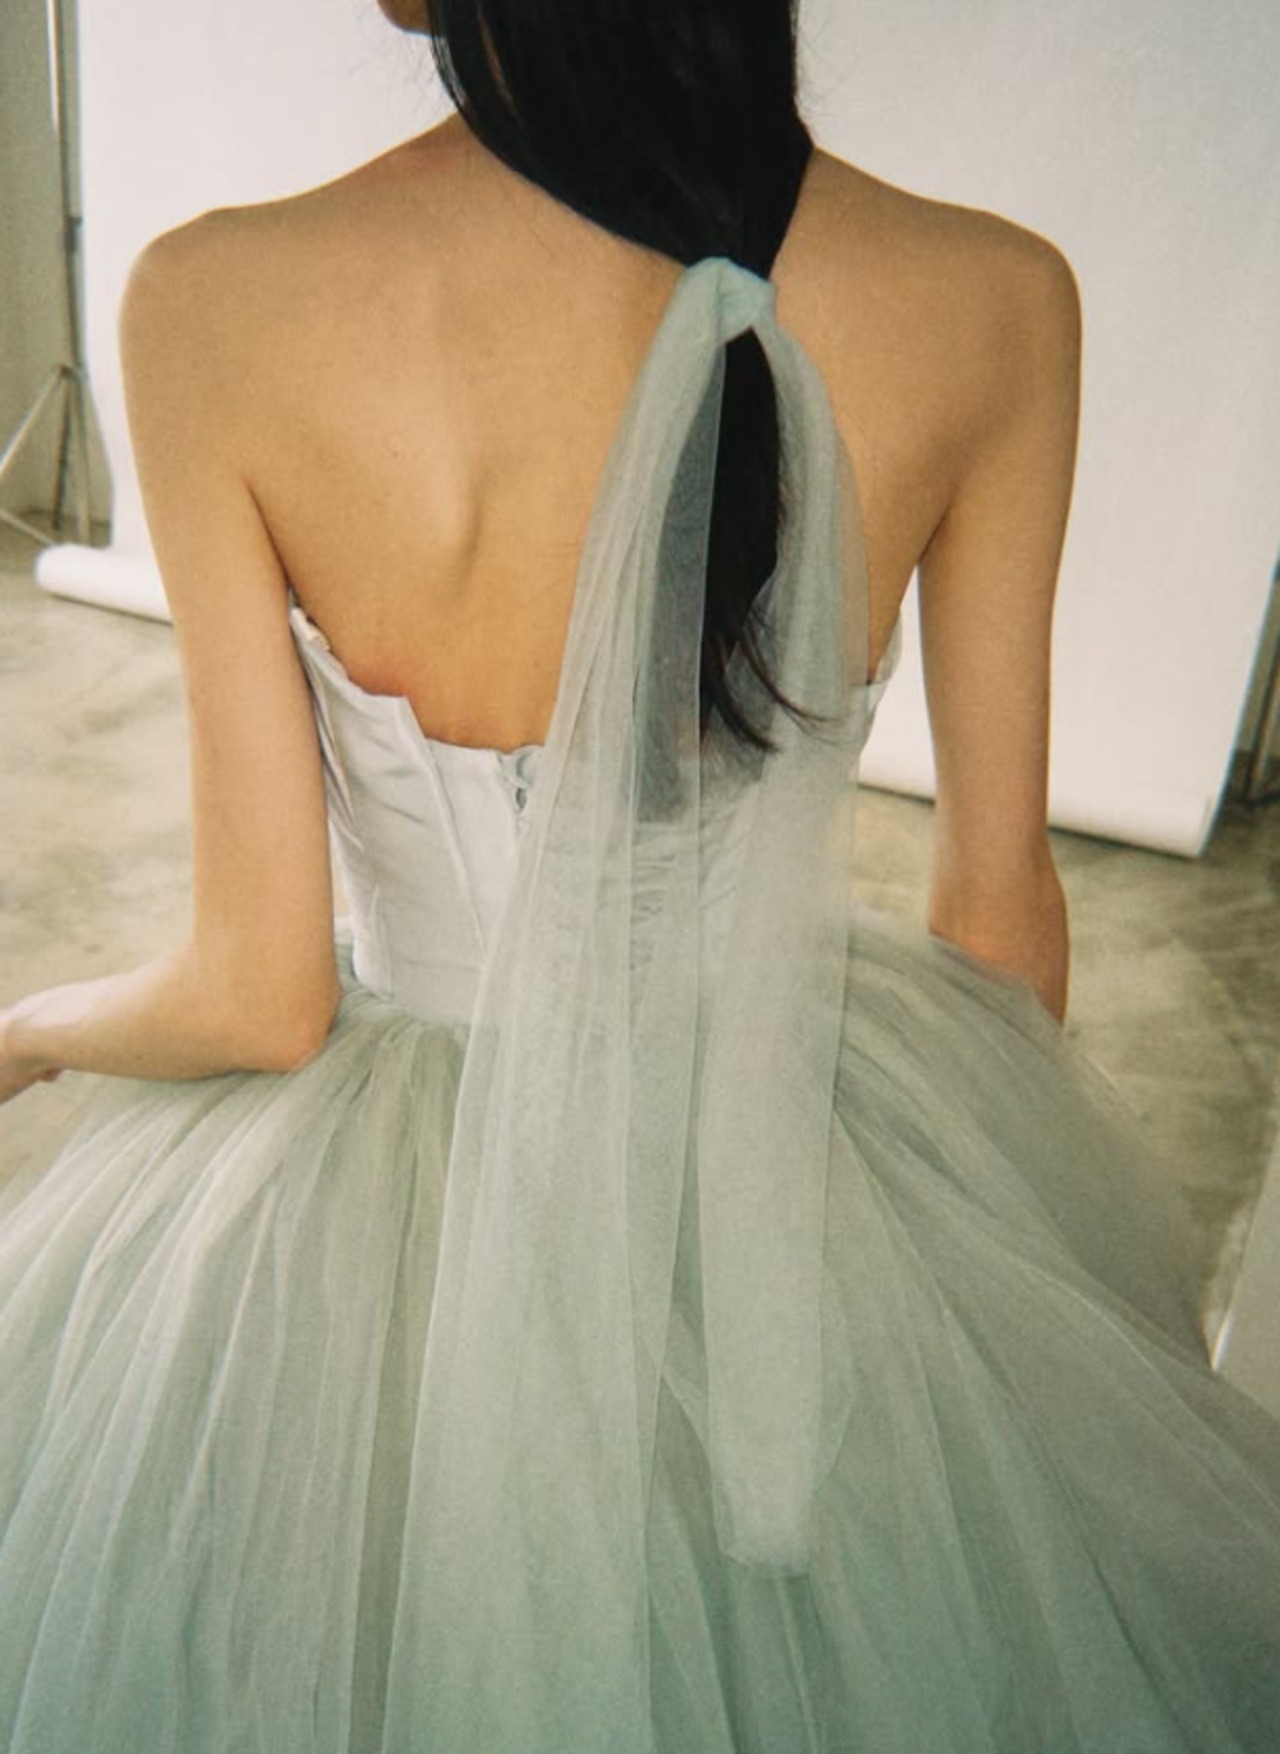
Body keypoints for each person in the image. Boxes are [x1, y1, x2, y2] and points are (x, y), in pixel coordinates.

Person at [1, 1, 1278, 1749]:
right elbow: (1000, 936)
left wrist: (29, 1025)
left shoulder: (213, 301)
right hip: (787, 1156)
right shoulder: (997, 297)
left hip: (382, 1213)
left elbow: (260, 992)